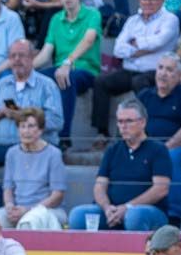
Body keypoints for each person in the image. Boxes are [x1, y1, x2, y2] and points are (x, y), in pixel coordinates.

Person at [92, 0, 179, 141]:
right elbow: (118, 49)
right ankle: (101, 133)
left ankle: (144, 132)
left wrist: (134, 43)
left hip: (155, 72)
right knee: (101, 81)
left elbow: (159, 42)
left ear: (162, 0)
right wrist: (142, 49)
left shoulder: (170, 19)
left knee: (139, 82)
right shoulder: (132, 21)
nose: (148, 2)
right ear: (139, 0)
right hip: (129, 69)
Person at [68, 99, 170, 231]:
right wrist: (107, 208)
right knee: (78, 216)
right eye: (120, 121)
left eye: (128, 121)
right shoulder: (112, 150)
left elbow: (161, 189)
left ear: (143, 122)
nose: (123, 126)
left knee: (134, 216)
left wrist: (127, 207)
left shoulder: (158, 149)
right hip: (112, 211)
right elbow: (99, 186)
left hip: (147, 212)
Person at [32, 0, 100, 146]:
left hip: (86, 71)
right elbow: (46, 53)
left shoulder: (93, 14)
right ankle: (33, 134)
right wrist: (27, 69)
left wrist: (68, 62)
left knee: (66, 78)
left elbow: (89, 40)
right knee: (35, 79)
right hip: (60, 69)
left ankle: (63, 138)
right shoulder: (56, 19)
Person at [137, 53, 181, 226]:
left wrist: (162, 149)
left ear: (180, 76)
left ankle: (174, 218)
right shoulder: (144, 96)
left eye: (169, 70)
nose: (163, 73)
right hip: (151, 148)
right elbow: (135, 126)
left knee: (172, 157)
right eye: (160, 68)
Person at [0, 39, 65, 162]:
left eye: (21, 55)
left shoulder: (47, 85)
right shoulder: (1, 85)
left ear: (32, 58)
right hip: (3, 146)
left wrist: (25, 116)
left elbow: (57, 121)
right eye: (13, 56)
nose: (16, 59)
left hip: (37, 147)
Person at [0, 106, 67, 229]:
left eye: (31, 126)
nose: (26, 131)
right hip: (18, 208)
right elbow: (8, 188)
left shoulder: (53, 154)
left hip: (46, 210)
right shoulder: (12, 153)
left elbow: (57, 195)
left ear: (40, 130)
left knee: (28, 222)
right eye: (22, 126)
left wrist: (28, 210)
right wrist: (9, 206)